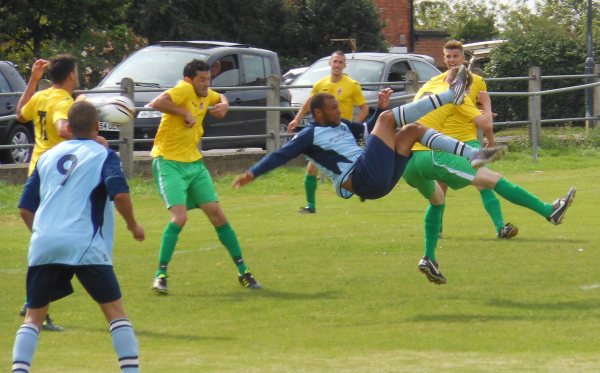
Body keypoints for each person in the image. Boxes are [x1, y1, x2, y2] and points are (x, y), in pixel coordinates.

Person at [8, 101, 159, 373]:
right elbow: (119, 194)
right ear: (97, 126)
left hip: (44, 241)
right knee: (116, 313)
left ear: (68, 127)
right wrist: (133, 225)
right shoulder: (104, 155)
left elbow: (24, 207)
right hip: (85, 243)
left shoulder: (47, 157)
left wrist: (45, 235)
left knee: (33, 317)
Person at [233, 66, 500, 204]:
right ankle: (449, 95)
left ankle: (473, 154)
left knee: (412, 131)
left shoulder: (341, 126)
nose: (339, 112)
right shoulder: (309, 135)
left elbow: (368, 131)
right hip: (361, 178)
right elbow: (280, 155)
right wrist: (252, 173)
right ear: (317, 113)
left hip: (379, 182)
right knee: (388, 121)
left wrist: (380, 109)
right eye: (333, 109)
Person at [403, 131, 576, 285]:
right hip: (439, 154)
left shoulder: (427, 96)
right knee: (493, 180)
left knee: (438, 199)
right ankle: (548, 211)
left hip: (409, 164)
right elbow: (482, 120)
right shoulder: (458, 96)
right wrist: (489, 135)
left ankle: (429, 258)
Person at [149, 59, 260, 293]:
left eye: (208, 79)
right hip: (169, 163)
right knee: (179, 218)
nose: (206, 84)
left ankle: (244, 271)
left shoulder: (205, 92)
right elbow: (156, 102)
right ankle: (161, 275)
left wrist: (225, 104)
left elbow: (219, 97)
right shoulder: (183, 89)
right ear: (189, 79)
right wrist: (183, 112)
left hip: (194, 165)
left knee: (218, 215)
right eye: (201, 79)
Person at [15, 55, 82, 331]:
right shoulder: (63, 101)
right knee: (60, 244)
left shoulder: (42, 95)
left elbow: (21, 114)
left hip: (36, 172)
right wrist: (91, 136)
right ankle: (37, 305)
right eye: (77, 72)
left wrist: (32, 81)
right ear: (70, 76)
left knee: (49, 241)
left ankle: (34, 302)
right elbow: (63, 129)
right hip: (55, 179)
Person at [433, 40, 517, 239]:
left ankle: (500, 227)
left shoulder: (477, 81)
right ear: (444, 59)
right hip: (444, 141)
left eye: (455, 56)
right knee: (440, 188)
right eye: (448, 56)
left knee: (483, 182)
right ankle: (436, 229)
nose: (452, 60)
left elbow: (482, 113)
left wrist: (489, 136)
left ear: (463, 58)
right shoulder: (438, 81)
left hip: (469, 141)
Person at [288, 51, 369, 214]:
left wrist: (355, 128)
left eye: (340, 62)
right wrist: (297, 119)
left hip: (342, 136)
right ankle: (311, 206)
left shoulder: (352, 85)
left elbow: (364, 109)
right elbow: (309, 103)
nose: (337, 65)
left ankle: (361, 187)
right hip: (325, 136)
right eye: (335, 61)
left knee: (352, 166)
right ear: (330, 64)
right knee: (312, 169)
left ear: (344, 65)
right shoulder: (321, 84)